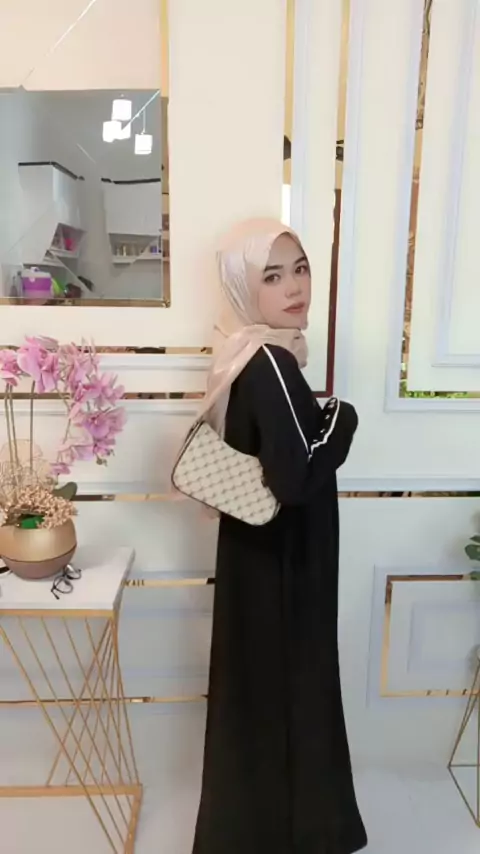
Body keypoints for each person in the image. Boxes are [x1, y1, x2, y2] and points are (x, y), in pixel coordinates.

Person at [191, 218, 367, 854]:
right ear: (246, 288)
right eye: (272, 276)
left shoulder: (246, 355)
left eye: (300, 268)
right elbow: (296, 478)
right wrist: (342, 418)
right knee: (297, 694)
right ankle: (310, 835)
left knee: (258, 699)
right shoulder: (271, 361)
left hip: (256, 560)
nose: (294, 287)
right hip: (288, 566)